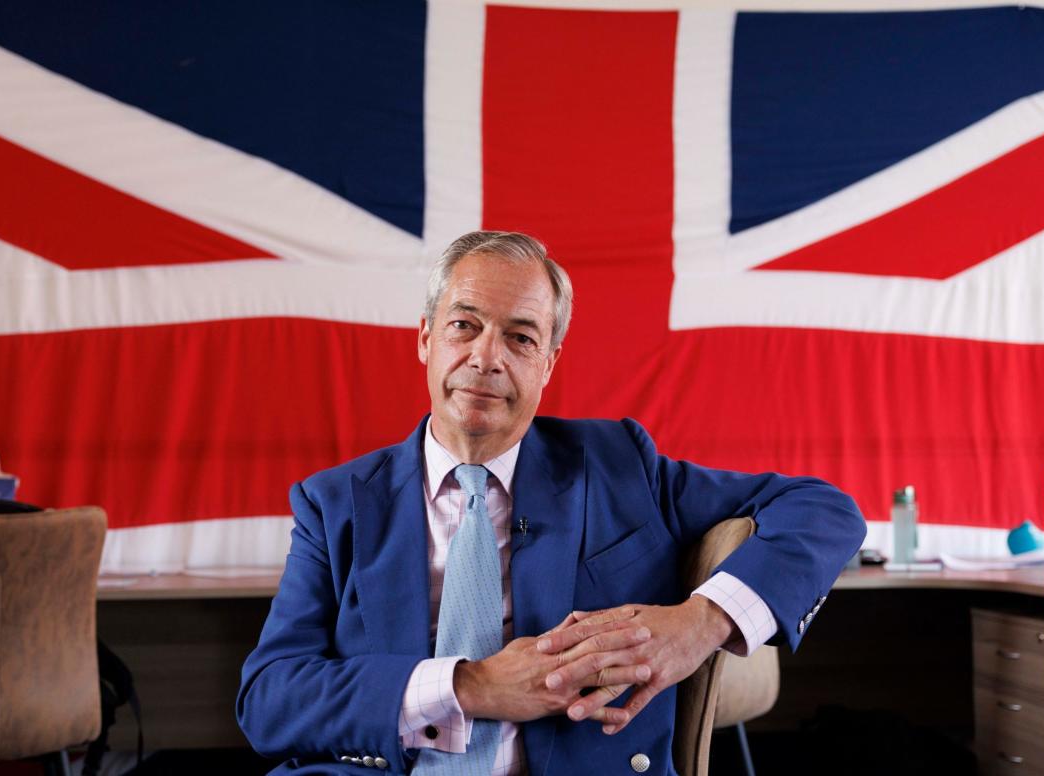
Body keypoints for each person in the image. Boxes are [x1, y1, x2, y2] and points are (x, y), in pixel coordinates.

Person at [238, 231, 865, 775]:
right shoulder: (334, 504)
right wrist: (473, 687)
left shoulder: (620, 463)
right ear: (426, 339)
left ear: (549, 363)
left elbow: (822, 509)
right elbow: (270, 700)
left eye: (520, 338)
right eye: (464, 325)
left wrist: (700, 623)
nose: (486, 358)